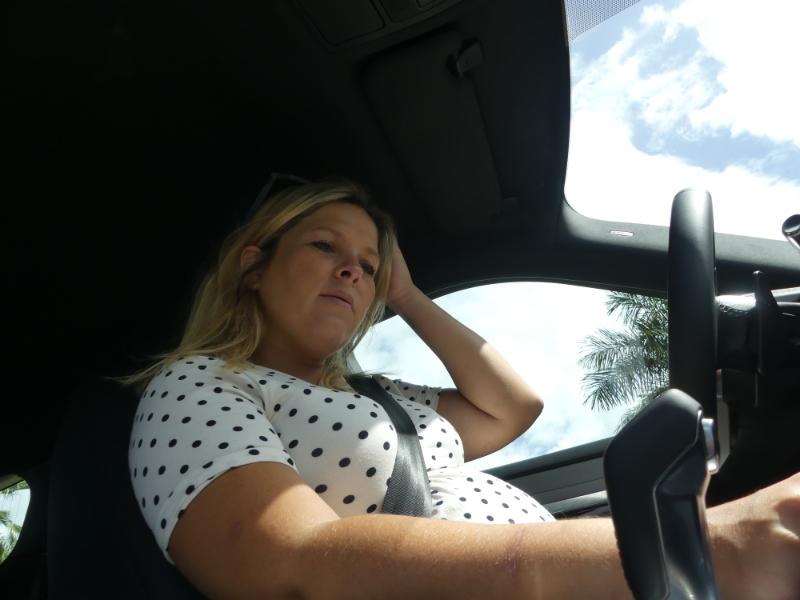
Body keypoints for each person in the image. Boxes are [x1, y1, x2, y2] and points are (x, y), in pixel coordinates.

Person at [126, 177, 800, 600]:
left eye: (369, 265)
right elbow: (287, 567)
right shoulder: (200, 383)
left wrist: (408, 296)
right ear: (254, 267)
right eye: (325, 247)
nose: (353, 272)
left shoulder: (379, 396)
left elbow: (513, 407)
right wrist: (716, 549)